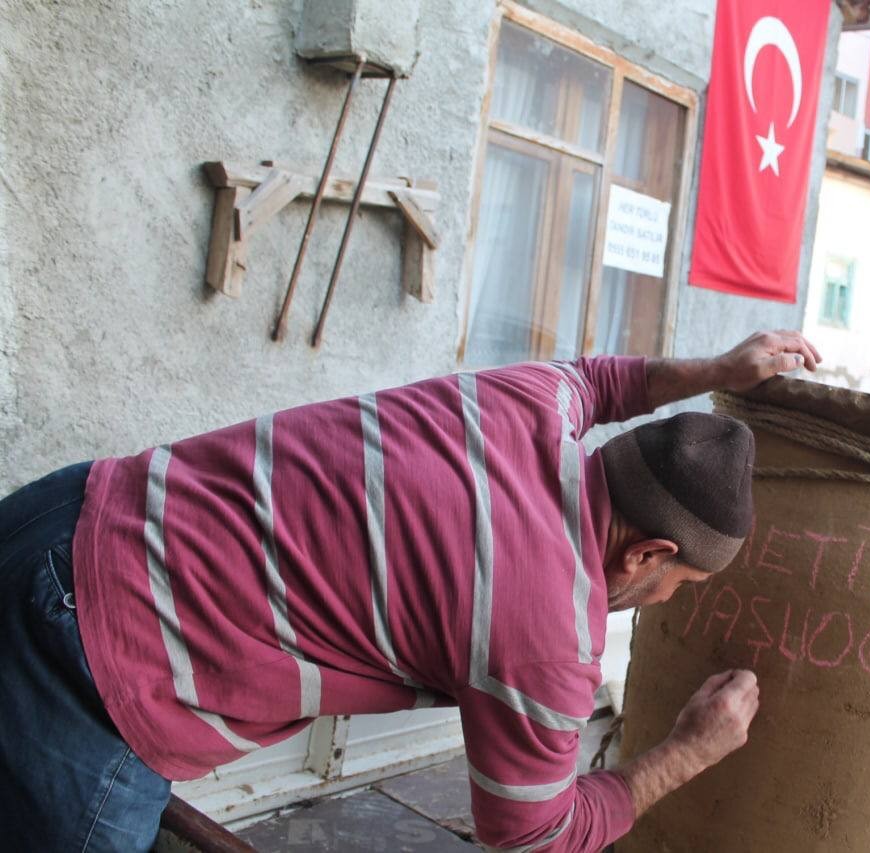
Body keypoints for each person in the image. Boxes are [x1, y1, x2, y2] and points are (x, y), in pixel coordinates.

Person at [0, 329, 821, 851]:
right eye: (680, 582)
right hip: (95, 673)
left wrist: (715, 369)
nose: (671, 601)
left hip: (65, 511)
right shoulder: (545, 626)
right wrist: (685, 753)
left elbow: (596, 380)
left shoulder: (528, 405)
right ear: (647, 552)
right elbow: (534, 832)